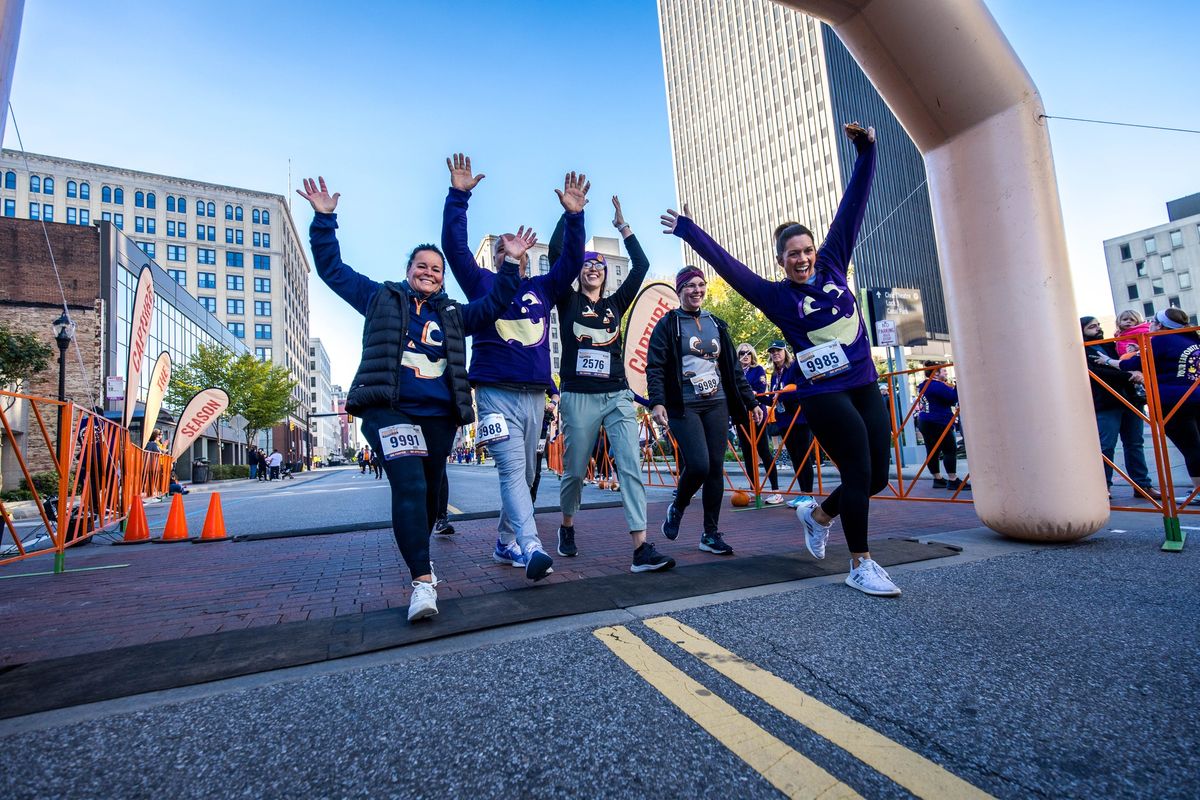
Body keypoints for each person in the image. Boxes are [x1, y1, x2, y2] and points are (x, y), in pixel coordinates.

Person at [662, 122, 902, 597]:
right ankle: (860, 563)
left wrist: (867, 151)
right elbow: (728, 267)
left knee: (875, 477)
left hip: (862, 381)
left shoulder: (834, 262)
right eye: (793, 254)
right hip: (822, 393)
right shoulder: (776, 297)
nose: (803, 258)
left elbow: (853, 208)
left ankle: (818, 515)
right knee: (856, 471)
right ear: (781, 261)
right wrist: (689, 230)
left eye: (808, 250)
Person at [298, 173, 524, 622]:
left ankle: (420, 556)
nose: (429, 272)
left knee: (429, 494)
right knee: (410, 485)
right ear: (408, 271)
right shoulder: (380, 297)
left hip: (439, 415)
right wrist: (325, 221)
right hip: (391, 410)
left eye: (436, 270)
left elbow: (495, 305)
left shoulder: (455, 314)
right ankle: (423, 582)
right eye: (422, 266)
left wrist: (511, 266)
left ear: (442, 280)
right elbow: (332, 270)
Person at [441, 153, 588, 582]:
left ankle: (505, 542)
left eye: (520, 252)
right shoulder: (481, 283)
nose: (515, 255)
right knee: (510, 470)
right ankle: (531, 546)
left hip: (534, 396)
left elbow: (572, 264)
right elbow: (453, 246)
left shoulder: (543, 287)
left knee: (524, 476)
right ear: (498, 257)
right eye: (506, 250)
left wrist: (574, 218)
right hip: (493, 393)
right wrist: (458, 197)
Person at [551, 196, 674, 573]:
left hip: (617, 395)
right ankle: (567, 526)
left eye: (598, 266)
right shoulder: (567, 300)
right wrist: (571, 214)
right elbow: (558, 252)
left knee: (630, 467)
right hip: (577, 397)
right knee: (574, 470)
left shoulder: (616, 304)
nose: (593, 269)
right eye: (587, 265)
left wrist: (625, 227)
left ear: (605, 275)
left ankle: (640, 547)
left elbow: (642, 265)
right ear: (579, 271)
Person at [647, 266, 762, 556]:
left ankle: (710, 534)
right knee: (698, 465)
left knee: (714, 469)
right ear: (679, 290)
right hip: (684, 403)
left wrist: (752, 402)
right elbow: (656, 366)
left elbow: (734, 371)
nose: (697, 290)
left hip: (717, 402)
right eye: (690, 286)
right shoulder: (668, 324)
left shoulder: (717, 324)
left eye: (701, 284)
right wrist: (657, 401)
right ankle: (679, 505)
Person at [1113, 308, 1200, 496]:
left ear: (1160, 325)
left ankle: (1199, 491)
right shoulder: (1190, 338)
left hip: (1173, 401)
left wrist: (1107, 360)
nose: (1149, 324)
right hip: (1195, 395)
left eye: (1153, 321)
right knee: (1196, 445)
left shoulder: (1162, 339)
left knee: (1191, 447)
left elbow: (1133, 364)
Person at [1082, 316, 1158, 500]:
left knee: (1135, 443)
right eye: (1092, 327)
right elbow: (1098, 372)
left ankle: (1142, 485)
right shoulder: (1082, 349)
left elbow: (1126, 361)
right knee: (1106, 446)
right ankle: (1103, 487)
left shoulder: (1112, 344)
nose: (1098, 329)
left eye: (1098, 325)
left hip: (1130, 399)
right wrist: (1128, 374)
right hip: (1106, 402)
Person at [735, 343, 785, 504]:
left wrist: (748, 393)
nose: (745, 355)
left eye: (748, 353)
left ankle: (776, 490)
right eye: (742, 353)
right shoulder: (734, 372)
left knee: (764, 450)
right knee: (748, 454)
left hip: (757, 414)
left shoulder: (758, 370)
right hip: (741, 415)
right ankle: (753, 489)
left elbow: (760, 391)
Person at [766, 341, 815, 495]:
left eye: (778, 350)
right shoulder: (774, 375)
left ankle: (809, 495)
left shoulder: (794, 368)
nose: (775, 354)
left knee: (803, 457)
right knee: (795, 457)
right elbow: (773, 399)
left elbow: (802, 389)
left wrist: (783, 394)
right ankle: (803, 493)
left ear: (785, 352)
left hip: (799, 419)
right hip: (784, 420)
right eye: (772, 352)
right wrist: (755, 398)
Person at [916, 362, 968, 491]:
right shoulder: (937, 385)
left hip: (924, 420)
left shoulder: (923, 385)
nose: (946, 373)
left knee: (932, 450)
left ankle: (937, 478)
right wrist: (957, 386)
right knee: (949, 450)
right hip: (939, 420)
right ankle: (952, 479)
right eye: (944, 371)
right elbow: (953, 398)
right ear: (936, 373)